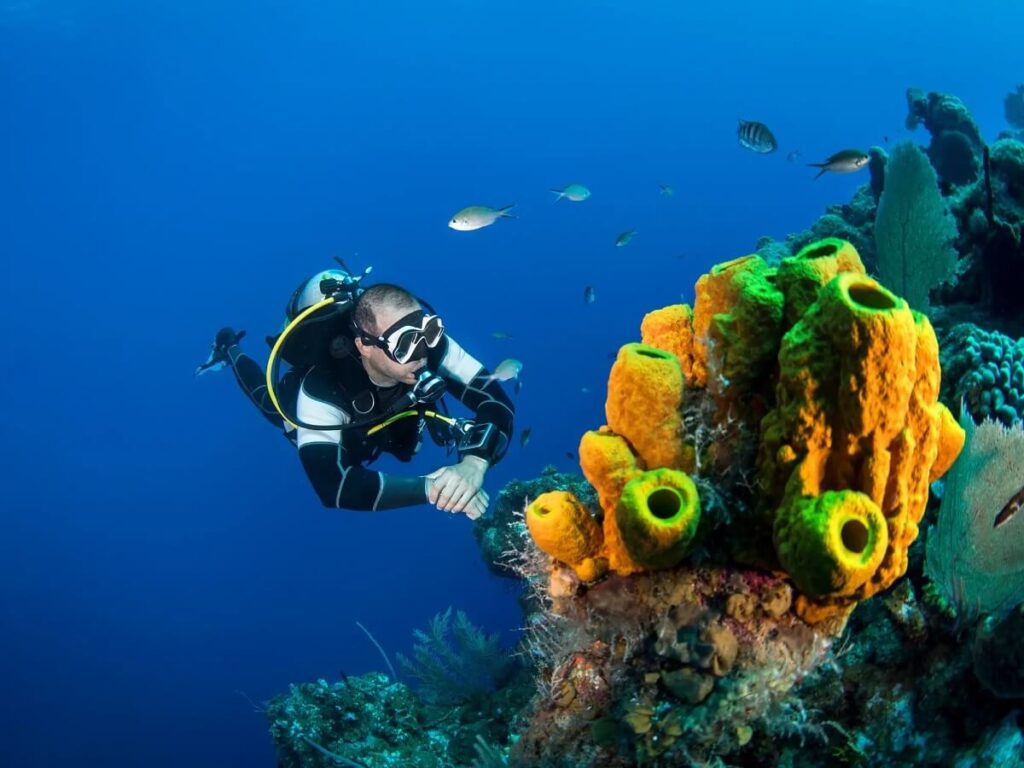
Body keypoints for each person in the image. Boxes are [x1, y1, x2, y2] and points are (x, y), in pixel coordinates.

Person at [202, 274, 514, 519]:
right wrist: (434, 489)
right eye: (404, 344)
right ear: (365, 345)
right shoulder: (321, 390)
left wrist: (473, 465)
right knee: (269, 406)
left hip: (389, 419)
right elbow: (333, 486)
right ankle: (229, 348)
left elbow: (496, 399)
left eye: (427, 333)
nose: (420, 355)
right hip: (333, 423)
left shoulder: (432, 348)